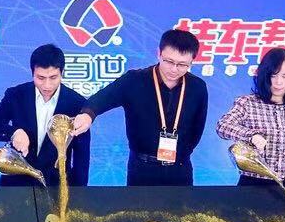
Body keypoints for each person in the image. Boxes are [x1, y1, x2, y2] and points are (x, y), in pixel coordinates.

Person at [70, 28, 207, 186]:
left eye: (182, 65)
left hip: (180, 168)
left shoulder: (197, 87)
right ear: (159, 53)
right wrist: (88, 115)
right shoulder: (134, 80)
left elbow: (197, 128)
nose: (174, 69)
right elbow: (102, 98)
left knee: (182, 203)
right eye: (169, 61)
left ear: (192, 61)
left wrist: (182, 153)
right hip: (142, 167)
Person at [0, 43, 91, 186]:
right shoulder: (16, 95)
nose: (47, 85)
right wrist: (14, 133)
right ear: (32, 73)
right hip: (15, 184)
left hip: (55, 185)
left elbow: (82, 157)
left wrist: (79, 193)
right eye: (41, 78)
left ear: (62, 73)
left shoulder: (77, 103)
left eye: (53, 77)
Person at [216, 46, 285, 186]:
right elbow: (222, 126)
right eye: (273, 75)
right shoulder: (247, 103)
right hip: (255, 182)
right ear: (264, 75)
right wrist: (251, 135)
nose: (278, 82)